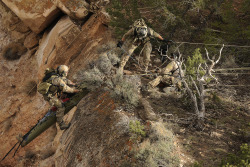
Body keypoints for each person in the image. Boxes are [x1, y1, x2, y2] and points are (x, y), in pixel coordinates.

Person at [39, 65, 80, 130]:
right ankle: (61, 124)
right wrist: (75, 90)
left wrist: (74, 84)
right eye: (66, 72)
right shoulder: (57, 79)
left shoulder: (56, 76)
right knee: (61, 107)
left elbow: (65, 81)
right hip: (49, 96)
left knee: (59, 101)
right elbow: (66, 89)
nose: (67, 73)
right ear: (63, 72)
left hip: (50, 93)